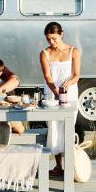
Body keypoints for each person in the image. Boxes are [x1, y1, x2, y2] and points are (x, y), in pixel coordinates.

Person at [39, 22, 80, 178]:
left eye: (54, 38)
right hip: (52, 93)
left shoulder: (73, 51)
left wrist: (68, 83)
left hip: (70, 93)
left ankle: (69, 165)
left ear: (61, 34)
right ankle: (58, 165)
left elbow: (76, 74)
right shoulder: (45, 53)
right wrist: (55, 90)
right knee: (54, 129)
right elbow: (47, 76)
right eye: (49, 39)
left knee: (68, 128)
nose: (52, 42)